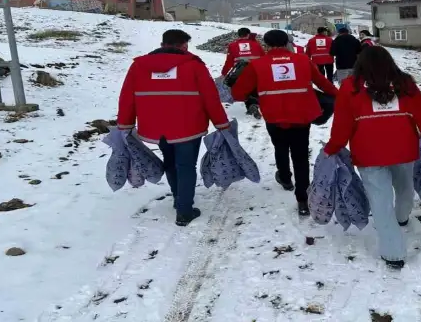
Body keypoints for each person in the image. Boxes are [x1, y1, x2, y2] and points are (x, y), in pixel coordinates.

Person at [323, 46, 421, 269]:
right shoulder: (406, 84)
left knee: (380, 201)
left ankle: (393, 252)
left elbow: (342, 127)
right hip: (404, 149)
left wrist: (332, 149)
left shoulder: (349, 87)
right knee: (404, 187)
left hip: (368, 153)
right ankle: (402, 217)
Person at [117, 29, 231, 227]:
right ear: (184, 46)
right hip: (189, 126)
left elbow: (127, 97)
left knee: (170, 162)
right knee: (186, 165)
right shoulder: (194, 65)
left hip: (155, 127)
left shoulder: (139, 66)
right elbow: (210, 98)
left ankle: (178, 198)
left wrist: (125, 124)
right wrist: (222, 124)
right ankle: (184, 210)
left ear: (163, 44)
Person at [232, 29, 338, 216]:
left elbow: (238, 94)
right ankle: (303, 199)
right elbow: (324, 84)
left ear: (266, 44)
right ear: (287, 43)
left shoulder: (257, 65)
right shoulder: (303, 60)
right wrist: (341, 97)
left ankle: (285, 178)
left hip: (274, 116)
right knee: (300, 155)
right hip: (301, 116)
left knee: (280, 147)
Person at [222, 27, 264, 118]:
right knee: (254, 88)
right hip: (256, 70)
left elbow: (229, 61)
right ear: (248, 34)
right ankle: (254, 104)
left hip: (240, 71)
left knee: (245, 89)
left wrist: (224, 73)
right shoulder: (256, 44)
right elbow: (263, 57)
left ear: (238, 35)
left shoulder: (232, 45)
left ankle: (250, 106)